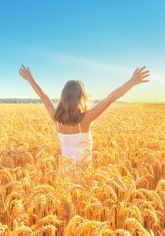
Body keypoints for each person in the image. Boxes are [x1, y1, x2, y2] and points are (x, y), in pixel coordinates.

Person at [19, 64, 150, 169]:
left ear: (63, 96)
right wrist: (132, 82)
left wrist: (30, 78)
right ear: (80, 97)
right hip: (84, 174)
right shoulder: (85, 120)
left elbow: (44, 96)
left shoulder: (56, 119)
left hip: (66, 171)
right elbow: (110, 99)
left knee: (68, 202)